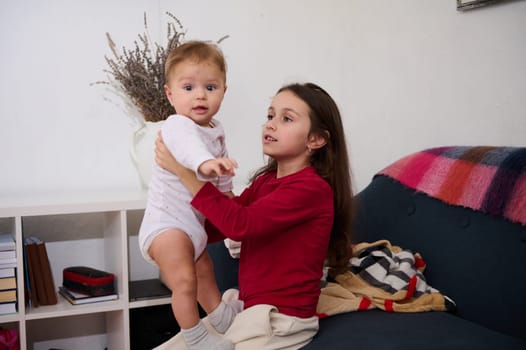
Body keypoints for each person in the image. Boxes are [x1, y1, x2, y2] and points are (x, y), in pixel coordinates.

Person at [154, 82, 354, 349]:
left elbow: (240, 225)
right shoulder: (266, 181)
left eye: (286, 119)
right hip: (251, 309)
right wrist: (175, 227)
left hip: (281, 319)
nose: (270, 124)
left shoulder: (312, 189)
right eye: (270, 116)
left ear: (316, 140)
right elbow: (219, 227)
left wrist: (185, 174)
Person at [138, 40, 240, 350]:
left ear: (224, 90)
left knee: (205, 274)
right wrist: (205, 163)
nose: (200, 95)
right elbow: (187, 149)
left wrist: (230, 209)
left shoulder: (216, 130)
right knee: (184, 281)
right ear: (170, 94)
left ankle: (222, 317)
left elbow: (222, 186)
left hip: (190, 226)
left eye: (210, 87)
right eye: (188, 87)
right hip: (166, 224)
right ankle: (195, 338)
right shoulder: (177, 125)